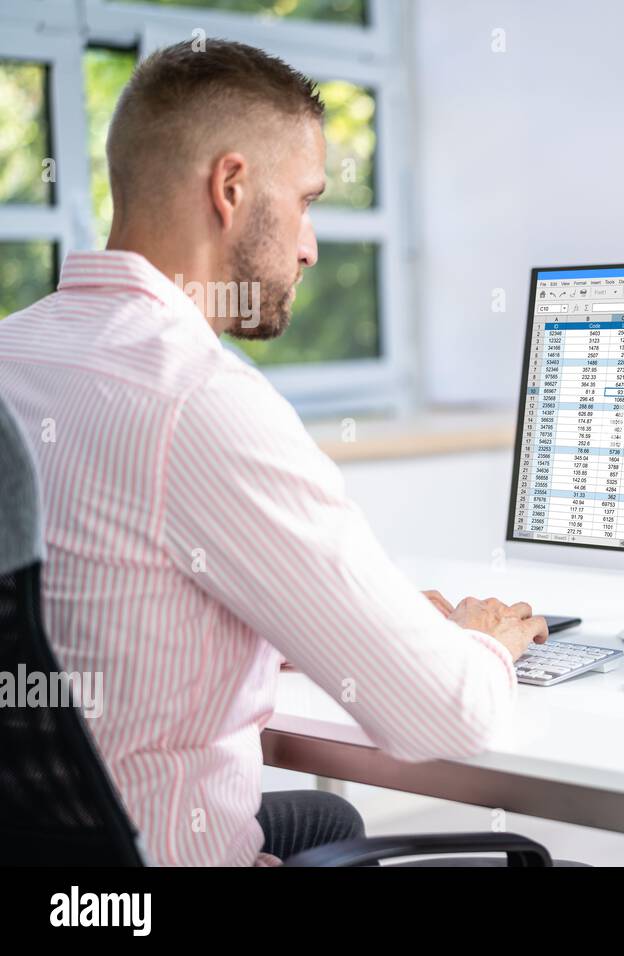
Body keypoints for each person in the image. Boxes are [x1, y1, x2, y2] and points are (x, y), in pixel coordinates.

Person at [0, 39, 547, 866]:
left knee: (330, 827)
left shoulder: (18, 351)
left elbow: (81, 597)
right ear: (230, 189)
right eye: (305, 200)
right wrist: (481, 639)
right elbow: (443, 715)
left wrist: (296, 624)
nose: (311, 245)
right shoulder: (197, 397)